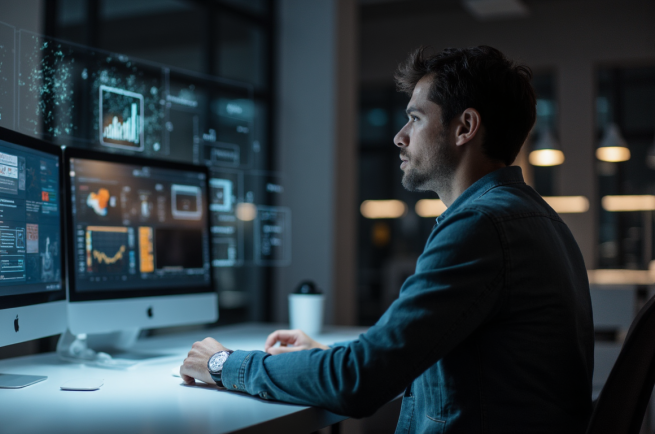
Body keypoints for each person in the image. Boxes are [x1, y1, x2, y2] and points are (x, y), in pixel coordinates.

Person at [180, 46, 593, 433]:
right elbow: (427, 361)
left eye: (415, 118)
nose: (399, 136)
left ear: (465, 127)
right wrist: (328, 360)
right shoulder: (535, 217)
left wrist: (223, 364)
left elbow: (360, 382)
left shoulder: (481, 225)